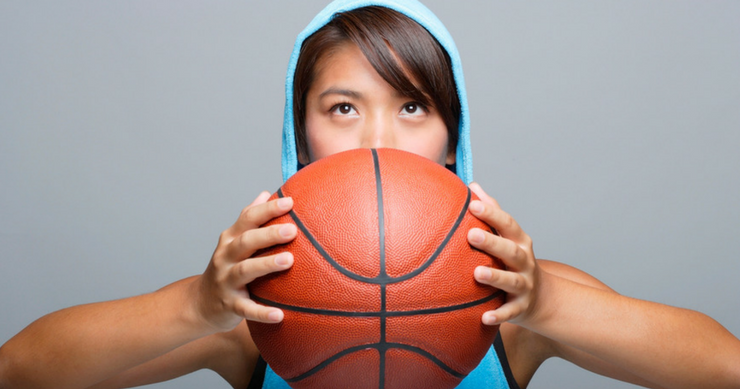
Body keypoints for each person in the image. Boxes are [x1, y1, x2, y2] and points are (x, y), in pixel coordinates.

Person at [1, 0, 739, 388]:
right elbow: (20, 371)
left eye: (413, 106)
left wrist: (549, 303)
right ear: (301, 137)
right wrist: (194, 306)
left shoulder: (515, 308)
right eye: (343, 108)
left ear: (454, 139)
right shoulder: (249, 316)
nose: (378, 140)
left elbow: (723, 368)